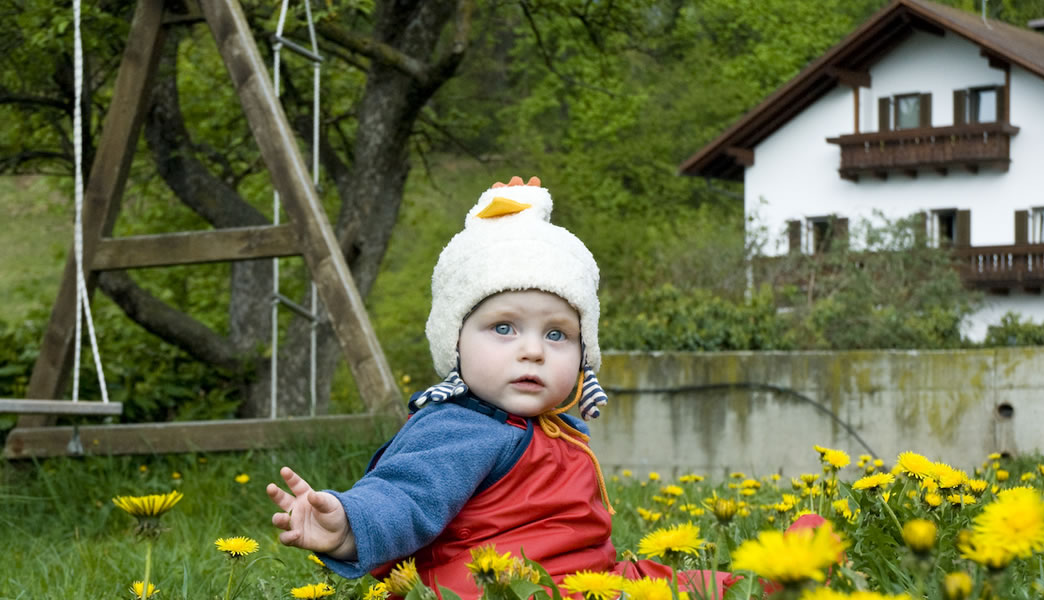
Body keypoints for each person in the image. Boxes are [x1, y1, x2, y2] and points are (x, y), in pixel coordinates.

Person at [267, 176, 822, 598]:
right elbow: (409, 492)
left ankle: (775, 573)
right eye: (503, 327)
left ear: (584, 357)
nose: (532, 349)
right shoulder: (461, 425)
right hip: (505, 588)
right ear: (455, 343)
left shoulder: (546, 429)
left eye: (557, 333)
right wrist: (351, 525)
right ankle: (777, 577)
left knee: (666, 581)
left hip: (583, 580)